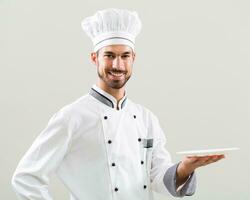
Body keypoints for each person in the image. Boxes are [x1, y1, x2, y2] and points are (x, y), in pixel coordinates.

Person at [11, 8, 225, 200]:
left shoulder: (146, 118)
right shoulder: (72, 117)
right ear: (95, 58)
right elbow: (26, 177)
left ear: (133, 58)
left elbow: (157, 178)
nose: (117, 64)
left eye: (124, 56)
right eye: (109, 55)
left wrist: (185, 168)